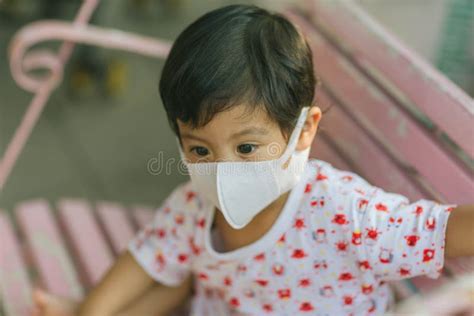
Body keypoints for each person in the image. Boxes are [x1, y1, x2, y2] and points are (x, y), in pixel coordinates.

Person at [33, 4, 474, 316]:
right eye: (200, 150)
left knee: (185, 277)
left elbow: (439, 232)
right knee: (184, 275)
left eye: (246, 148)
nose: (223, 171)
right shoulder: (195, 208)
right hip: (217, 300)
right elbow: (149, 254)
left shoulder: (344, 213)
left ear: (303, 129)